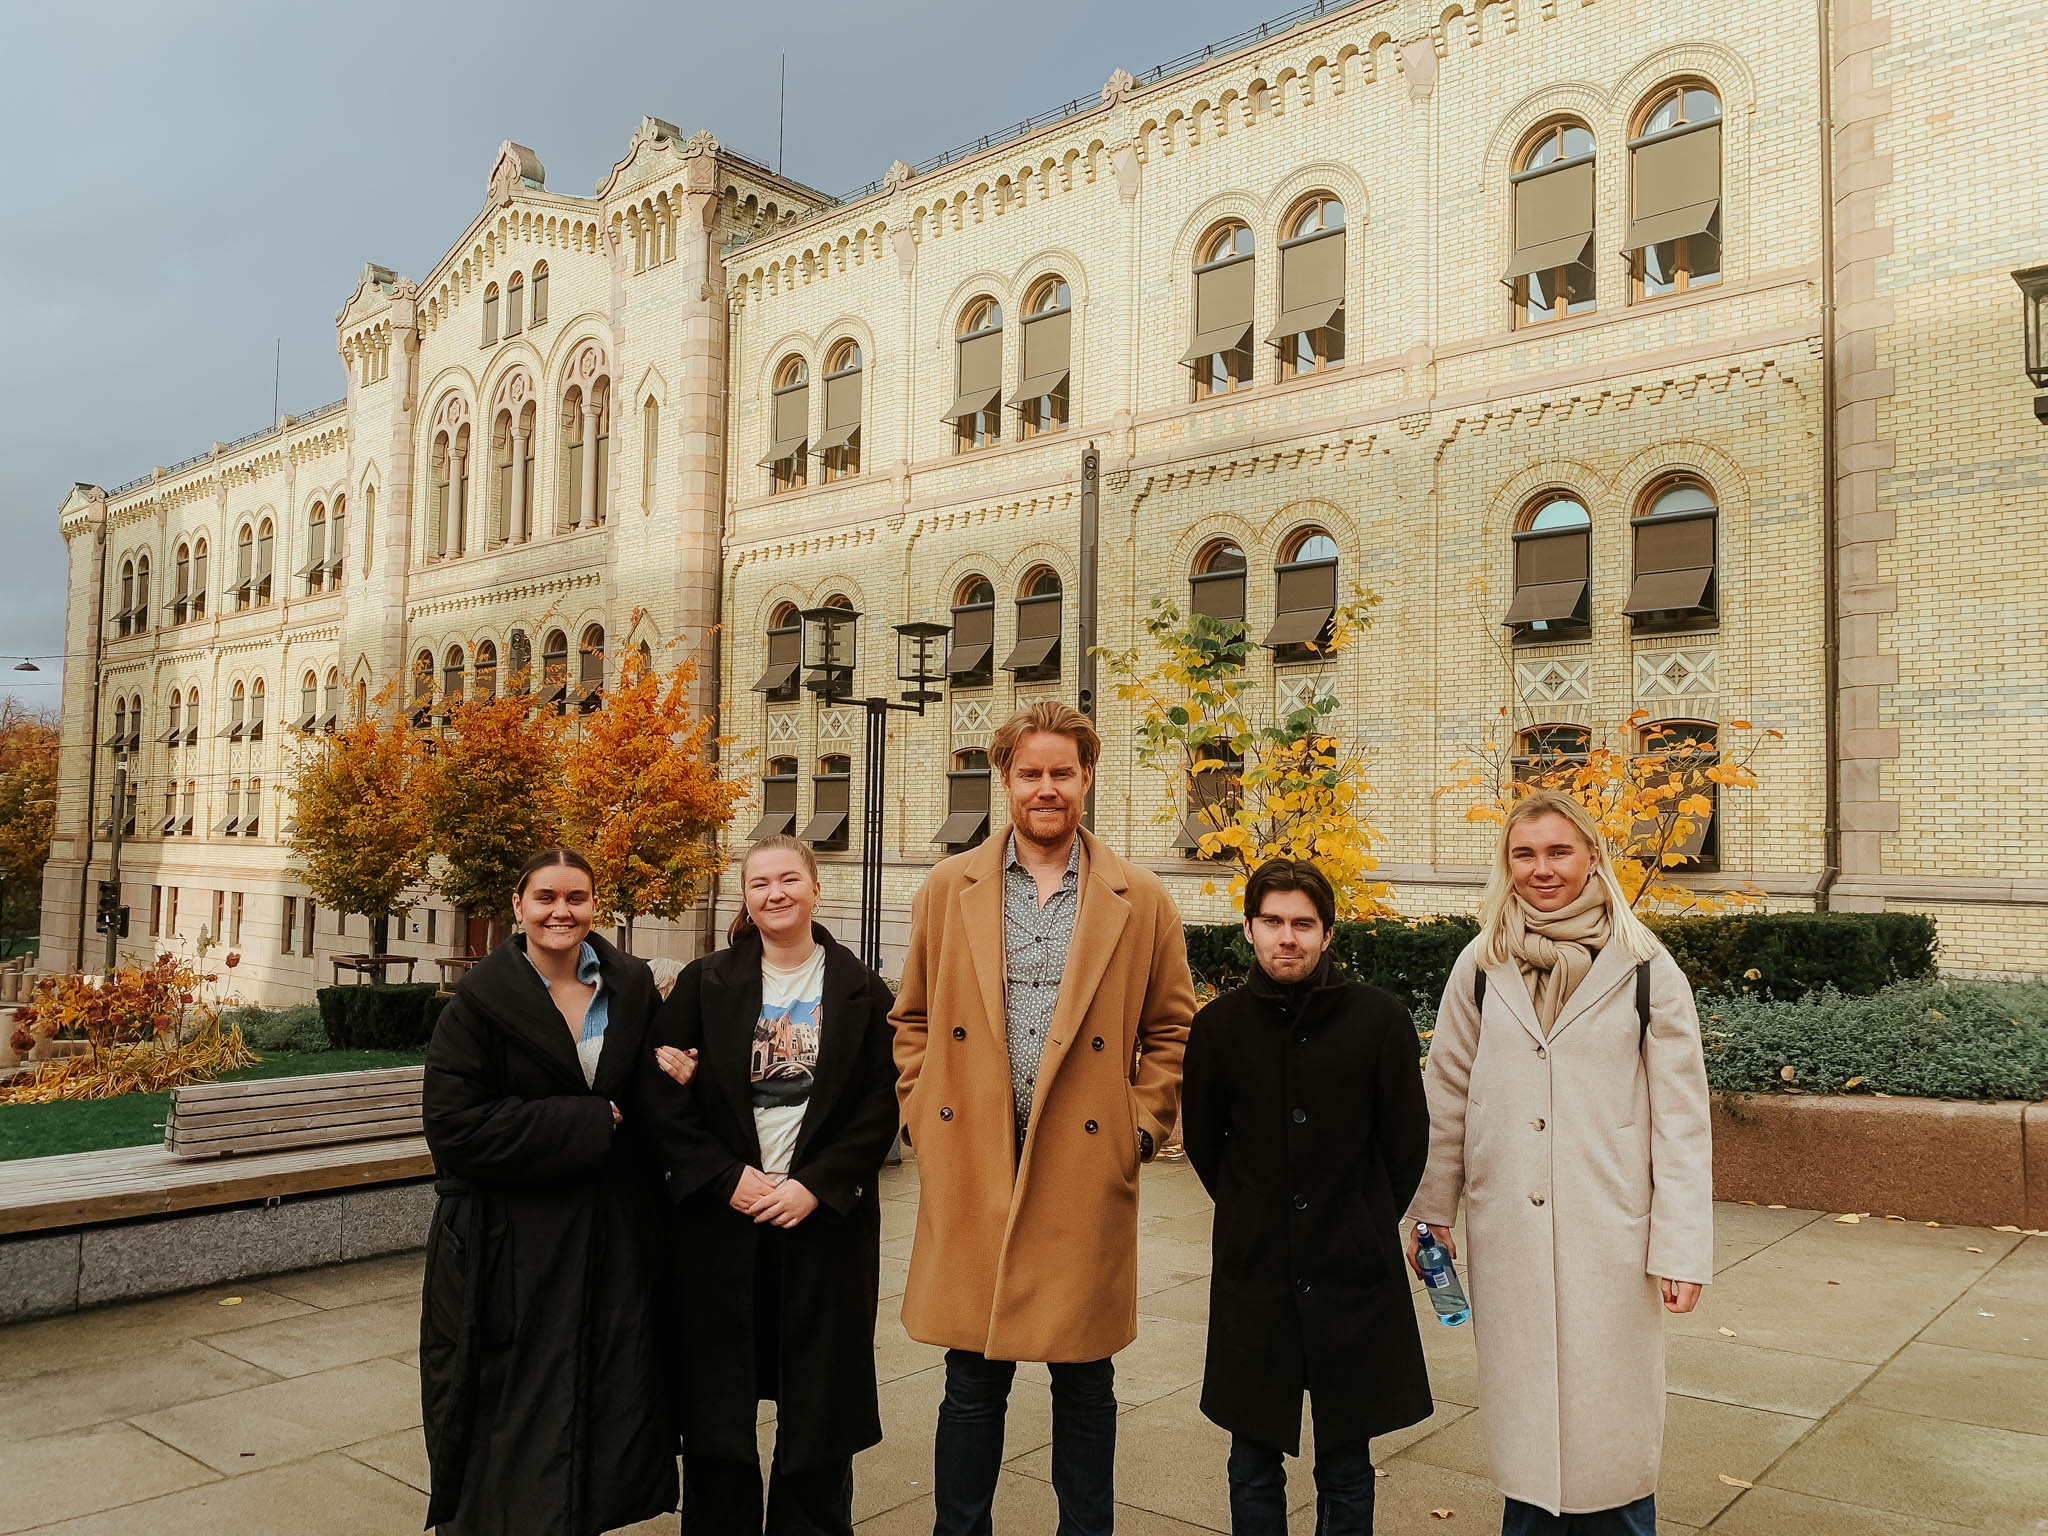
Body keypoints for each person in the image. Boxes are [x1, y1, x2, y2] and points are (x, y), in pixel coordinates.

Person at [891, 699, 1195, 1536]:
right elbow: (910, 1018)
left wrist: (1140, 1127)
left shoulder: (1144, 898)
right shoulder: (947, 890)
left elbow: (1172, 1027)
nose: (1048, 788)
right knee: (971, 1378)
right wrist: (923, 1113)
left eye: (1064, 772)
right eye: (1032, 773)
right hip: (976, 1157)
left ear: (1088, 779)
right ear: (1006, 781)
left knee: (1085, 1380)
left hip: (1083, 1164)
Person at [1405, 789, 1713, 1534]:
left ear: (1592, 858)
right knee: (1529, 1444)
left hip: (1610, 1237)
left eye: (1558, 851)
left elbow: (1681, 1119)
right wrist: (1432, 1212)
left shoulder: (1646, 969)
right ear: (1506, 864)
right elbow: (1445, 1093)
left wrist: (1681, 1246)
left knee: (1611, 1444)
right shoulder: (1479, 967)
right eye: (1524, 853)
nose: (1542, 869)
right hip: (1508, 1229)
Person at [639, 834, 901, 1536]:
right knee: (718, 1409)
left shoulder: (863, 991)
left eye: (789, 879)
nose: (774, 893)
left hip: (822, 1227)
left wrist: (816, 1185)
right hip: (724, 1226)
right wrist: (724, 1179)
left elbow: (881, 1105)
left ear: (817, 889)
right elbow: (659, 1093)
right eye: (759, 883)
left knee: (818, 1412)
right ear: (745, 898)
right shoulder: (705, 983)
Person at [419, 846, 678, 1536]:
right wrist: (593, 1119)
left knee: (604, 1394)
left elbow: (648, 1093)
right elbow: (453, 1129)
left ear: (595, 906)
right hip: (510, 1240)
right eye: (546, 898)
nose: (561, 912)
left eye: (576, 898)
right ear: (518, 907)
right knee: (514, 1406)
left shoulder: (628, 985)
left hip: (611, 1233)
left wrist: (675, 1072)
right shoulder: (478, 1003)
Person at [1181, 859, 1432, 1536]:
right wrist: (1252, 1212)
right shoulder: (1218, 1029)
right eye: (1272, 922)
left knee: (1347, 1463)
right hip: (1255, 1270)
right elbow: (1208, 1146)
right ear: (1248, 928)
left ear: (1326, 932)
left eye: (1302, 923)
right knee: (1252, 1457)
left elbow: (1406, 1145)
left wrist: (1358, 1221)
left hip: (1351, 1271)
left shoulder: (1380, 1022)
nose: (1286, 937)